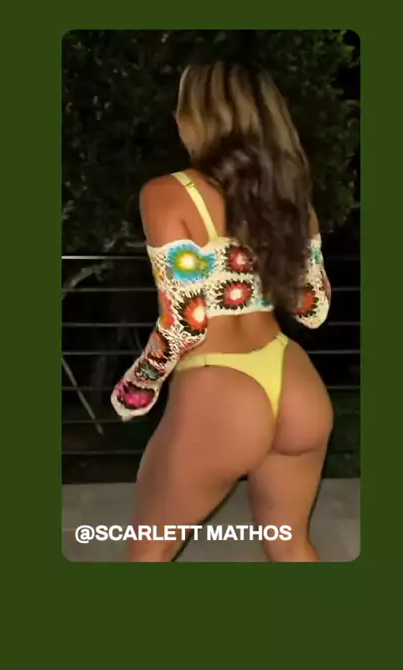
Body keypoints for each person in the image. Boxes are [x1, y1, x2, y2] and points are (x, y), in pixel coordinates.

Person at [111, 57, 333, 562]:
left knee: (148, 554)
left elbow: (185, 324)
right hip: (295, 382)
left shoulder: (168, 194)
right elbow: (312, 308)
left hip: (221, 391)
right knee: (292, 546)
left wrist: (138, 386)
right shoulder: (291, 198)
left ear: (198, 117)